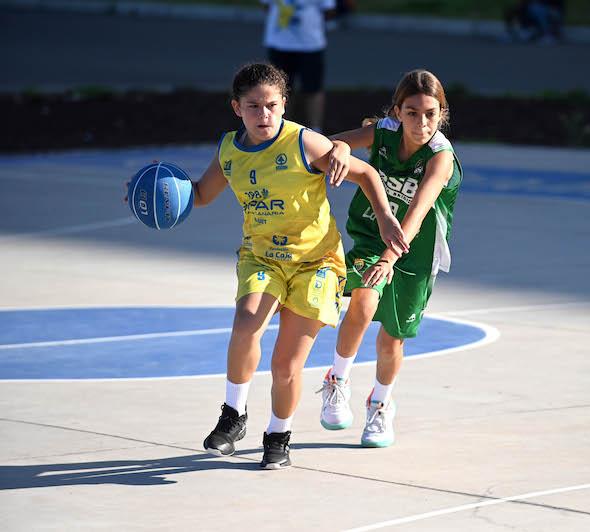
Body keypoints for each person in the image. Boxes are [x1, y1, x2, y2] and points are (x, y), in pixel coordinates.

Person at [125, 63, 409, 469]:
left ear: (284, 105)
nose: (264, 116)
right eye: (253, 106)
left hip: (317, 264)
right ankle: (233, 415)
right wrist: (149, 192)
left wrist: (383, 217)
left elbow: (365, 173)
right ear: (236, 108)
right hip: (262, 257)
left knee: (285, 365)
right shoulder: (229, 149)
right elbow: (202, 194)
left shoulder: (304, 144)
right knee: (246, 320)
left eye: (272, 106)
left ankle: (278, 435)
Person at [316, 69, 463, 448]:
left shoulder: (440, 158)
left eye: (431, 113)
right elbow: (330, 145)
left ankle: (380, 403)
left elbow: (416, 214)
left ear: (441, 114)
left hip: (414, 251)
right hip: (370, 237)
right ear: (398, 112)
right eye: (412, 112)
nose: (422, 122)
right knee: (362, 305)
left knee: (391, 341)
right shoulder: (382, 133)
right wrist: (343, 148)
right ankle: (337, 379)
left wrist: (390, 258)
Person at [261, 0, 336, 132]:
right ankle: (280, 129)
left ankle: (316, 130)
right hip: (279, 43)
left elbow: (329, 10)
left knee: (313, 88)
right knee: (279, 89)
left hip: (310, 44)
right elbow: (266, 5)